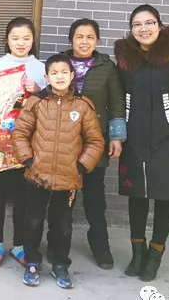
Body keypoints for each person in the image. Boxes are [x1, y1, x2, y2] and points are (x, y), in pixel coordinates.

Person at [114, 4, 169, 282]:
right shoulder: (126, 59)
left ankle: (155, 253)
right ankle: (137, 252)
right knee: (137, 195)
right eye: (137, 24)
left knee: (165, 195)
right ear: (131, 30)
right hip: (135, 138)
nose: (144, 29)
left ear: (160, 26)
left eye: (149, 22)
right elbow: (117, 97)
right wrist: (118, 134)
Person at [12, 54, 105, 289]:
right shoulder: (36, 103)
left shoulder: (83, 105)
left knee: (62, 225)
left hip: (69, 178)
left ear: (72, 75)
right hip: (37, 175)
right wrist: (28, 159)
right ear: (47, 77)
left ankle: (60, 263)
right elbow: (20, 133)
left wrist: (81, 166)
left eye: (64, 72)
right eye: (54, 73)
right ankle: (32, 262)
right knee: (33, 221)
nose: (59, 77)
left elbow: (95, 141)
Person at [0, 17, 47, 269]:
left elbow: (51, 106)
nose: (21, 43)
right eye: (15, 38)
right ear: (7, 40)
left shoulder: (41, 69)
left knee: (23, 196)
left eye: (26, 38)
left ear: (33, 40)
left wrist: (39, 90)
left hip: (29, 145)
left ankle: (19, 244)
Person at [60, 18, 126, 269]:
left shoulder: (106, 67)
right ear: (71, 39)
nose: (84, 41)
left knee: (95, 197)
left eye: (90, 37)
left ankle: (100, 247)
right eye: (79, 36)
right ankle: (58, 246)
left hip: (94, 142)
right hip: (63, 141)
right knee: (62, 197)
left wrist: (117, 136)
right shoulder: (59, 63)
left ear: (97, 40)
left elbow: (117, 102)